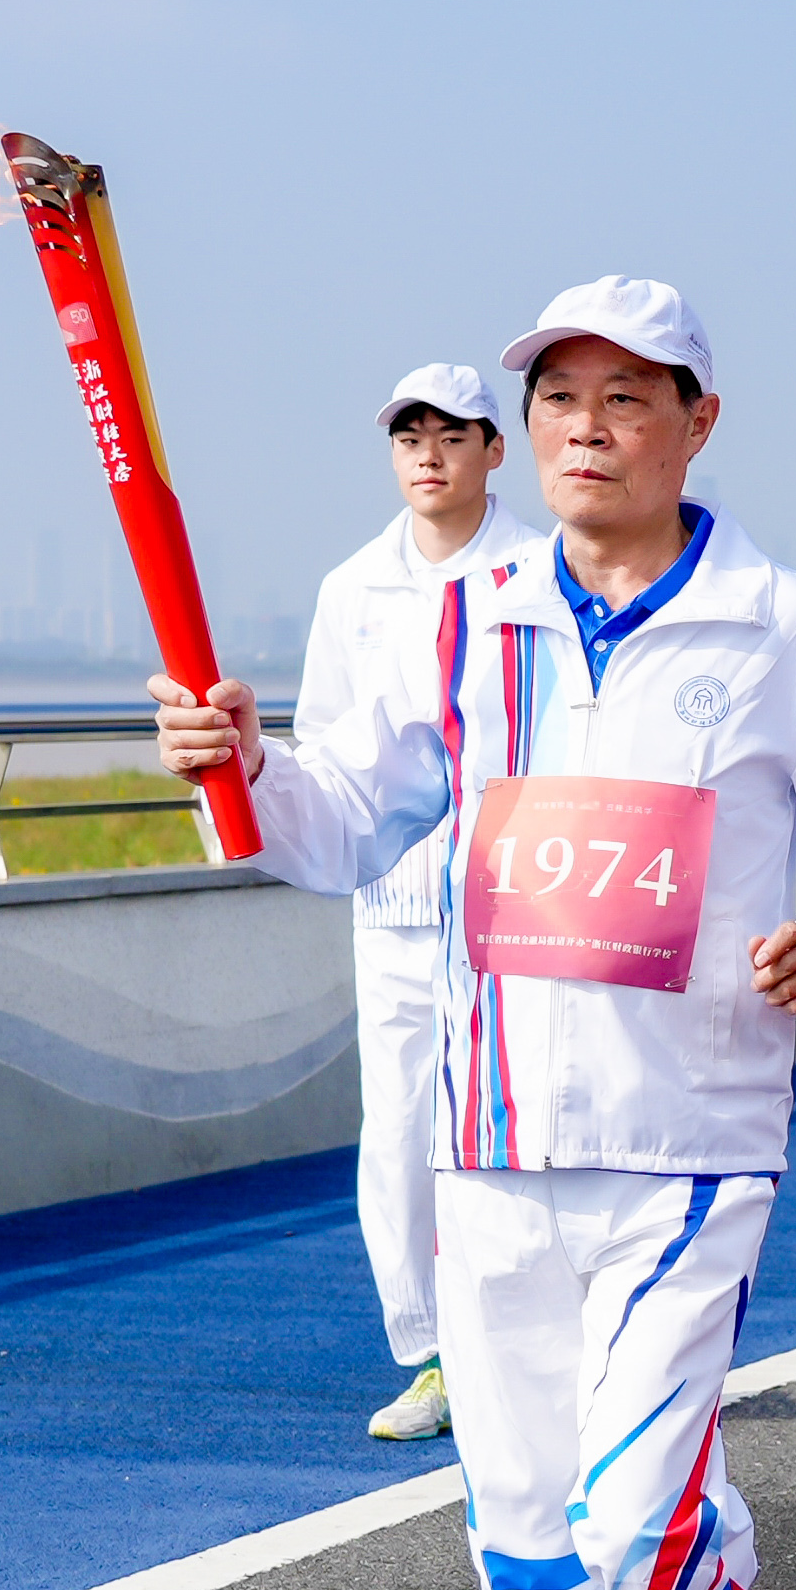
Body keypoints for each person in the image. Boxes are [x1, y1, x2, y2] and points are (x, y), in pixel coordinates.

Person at [151, 276, 796, 1590]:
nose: (585, 427)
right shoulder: (467, 619)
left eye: (625, 396)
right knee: (522, 1528)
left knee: (638, 1508)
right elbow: (347, 820)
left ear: (697, 422)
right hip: (495, 1139)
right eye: (558, 399)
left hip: (688, 1136)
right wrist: (241, 764)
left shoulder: (779, 627)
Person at [298, 364, 546, 1442]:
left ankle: (533, 1345)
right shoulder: (351, 587)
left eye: (452, 435)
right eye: (410, 438)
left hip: (517, 903)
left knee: (520, 1124)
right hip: (397, 905)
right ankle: (435, 1356)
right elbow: (323, 744)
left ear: (495, 450)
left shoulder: (541, 571)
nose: (430, 455)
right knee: (399, 1133)